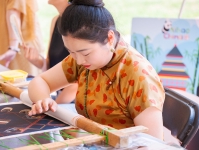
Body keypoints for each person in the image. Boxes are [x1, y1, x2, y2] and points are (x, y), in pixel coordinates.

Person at [27, 0, 165, 140]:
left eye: (85, 53)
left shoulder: (138, 74)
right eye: (71, 52)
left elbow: (152, 142)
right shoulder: (82, 58)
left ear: (110, 38)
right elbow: (40, 81)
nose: (79, 61)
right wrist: (44, 100)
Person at [24, 0, 77, 104]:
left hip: (74, 104)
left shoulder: (79, 23)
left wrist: (55, 106)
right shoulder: (56, 20)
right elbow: (51, 64)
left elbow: (77, 83)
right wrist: (36, 60)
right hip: (59, 100)